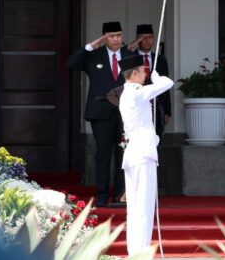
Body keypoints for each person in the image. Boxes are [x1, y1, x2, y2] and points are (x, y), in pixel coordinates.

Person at [66, 21, 129, 207]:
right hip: (100, 111)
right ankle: (102, 194)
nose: (116, 39)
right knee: (103, 153)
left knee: (123, 153)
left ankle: (120, 194)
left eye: (118, 34)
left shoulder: (129, 55)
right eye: (111, 35)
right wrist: (88, 48)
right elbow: (70, 63)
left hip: (125, 113)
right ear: (104, 37)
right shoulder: (94, 56)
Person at [118, 54, 174, 256]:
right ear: (134, 73)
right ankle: (140, 253)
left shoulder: (128, 93)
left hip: (135, 154)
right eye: (143, 71)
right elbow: (168, 83)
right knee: (143, 207)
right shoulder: (136, 92)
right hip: (142, 155)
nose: (146, 74)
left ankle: (136, 252)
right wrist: (158, 78)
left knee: (135, 208)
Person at [127, 24, 172, 134]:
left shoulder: (161, 59)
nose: (147, 41)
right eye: (144, 38)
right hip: (137, 106)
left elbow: (165, 87)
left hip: (157, 106)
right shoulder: (130, 57)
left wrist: (167, 111)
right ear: (138, 39)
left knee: (156, 139)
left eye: (150, 37)